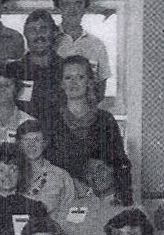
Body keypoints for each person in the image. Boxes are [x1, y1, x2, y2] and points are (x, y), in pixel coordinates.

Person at [47, 55, 132, 205]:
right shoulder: (50, 120)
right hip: (62, 198)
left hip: (100, 198)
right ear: (61, 83)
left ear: (89, 82)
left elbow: (119, 164)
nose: (74, 83)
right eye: (68, 78)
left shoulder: (105, 119)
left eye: (80, 77)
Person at [0, 9, 65, 129]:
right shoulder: (11, 71)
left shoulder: (66, 69)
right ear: (25, 34)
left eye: (43, 29)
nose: (38, 35)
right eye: (32, 30)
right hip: (21, 137)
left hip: (59, 138)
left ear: (54, 33)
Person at [53, 0, 111, 101]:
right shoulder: (47, 41)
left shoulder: (97, 45)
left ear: (86, 7)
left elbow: (100, 88)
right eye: (66, 4)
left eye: (78, 3)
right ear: (58, 8)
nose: (72, 9)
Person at [17, 118, 76, 221]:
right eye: (26, 140)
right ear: (19, 145)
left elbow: (69, 213)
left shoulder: (61, 176)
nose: (31, 145)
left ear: (44, 143)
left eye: (36, 140)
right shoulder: (12, 174)